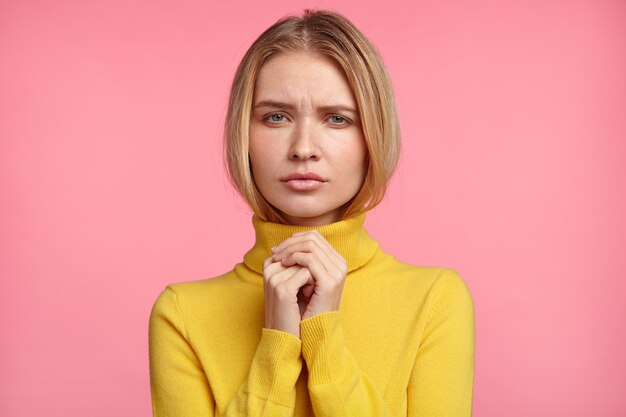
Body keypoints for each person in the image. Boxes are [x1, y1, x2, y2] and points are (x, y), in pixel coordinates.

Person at [149, 9, 474, 417]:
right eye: (276, 117)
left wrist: (323, 343)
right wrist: (276, 348)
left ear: (373, 135)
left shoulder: (435, 300)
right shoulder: (181, 313)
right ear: (243, 135)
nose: (303, 147)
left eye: (336, 119)